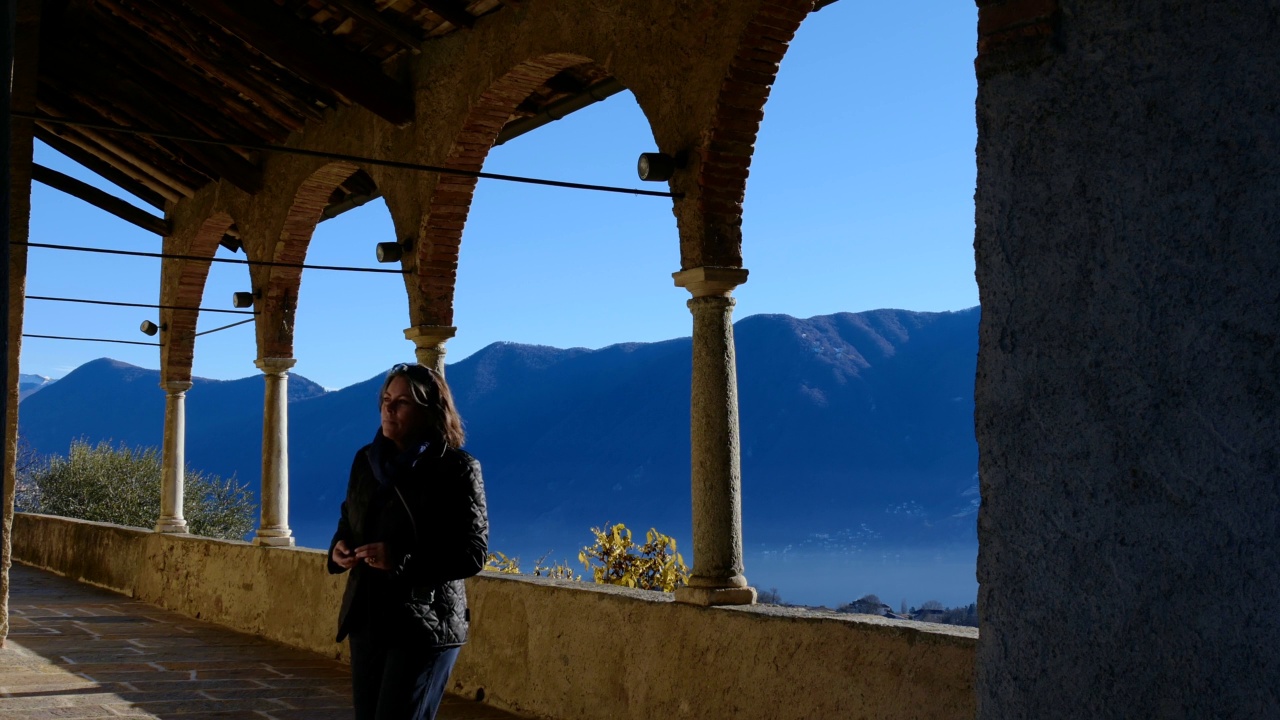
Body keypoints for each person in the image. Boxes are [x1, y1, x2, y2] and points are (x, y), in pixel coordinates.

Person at [328, 362, 488, 720]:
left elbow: (472, 553)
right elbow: (349, 520)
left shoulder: (457, 469)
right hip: (369, 618)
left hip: (424, 623)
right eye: (386, 399)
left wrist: (399, 559)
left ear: (428, 411)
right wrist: (339, 548)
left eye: (401, 402)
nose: (388, 408)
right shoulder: (366, 462)